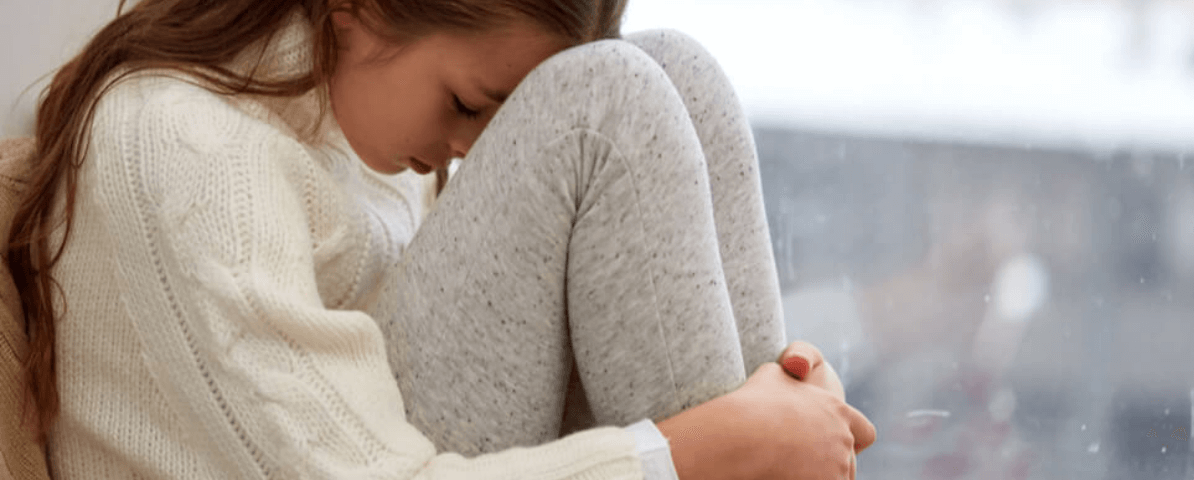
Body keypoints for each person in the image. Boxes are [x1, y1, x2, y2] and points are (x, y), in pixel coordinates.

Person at [7, 0, 876, 478]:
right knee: (603, 106)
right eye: (468, 104)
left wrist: (774, 408)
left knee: (677, 71)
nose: (466, 151)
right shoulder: (181, 150)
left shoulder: (364, 132)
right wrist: (700, 451)